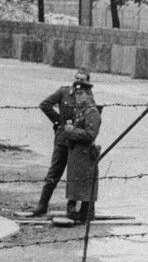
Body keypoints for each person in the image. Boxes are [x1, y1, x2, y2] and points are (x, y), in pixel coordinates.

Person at [26, 68, 96, 217]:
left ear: (87, 82)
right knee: (54, 172)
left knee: (75, 175)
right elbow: (45, 105)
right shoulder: (63, 92)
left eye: (82, 80)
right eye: (77, 78)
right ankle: (42, 204)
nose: (79, 82)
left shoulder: (87, 96)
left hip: (78, 143)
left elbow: (92, 117)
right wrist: (59, 121)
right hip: (63, 140)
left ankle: (72, 208)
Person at [61, 80, 101, 222]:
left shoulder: (92, 112)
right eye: (76, 94)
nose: (78, 97)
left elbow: (91, 134)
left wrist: (72, 131)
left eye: (81, 94)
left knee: (85, 185)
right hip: (77, 155)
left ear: (88, 94)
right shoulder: (81, 110)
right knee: (76, 184)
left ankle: (86, 212)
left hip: (85, 155)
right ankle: (74, 210)